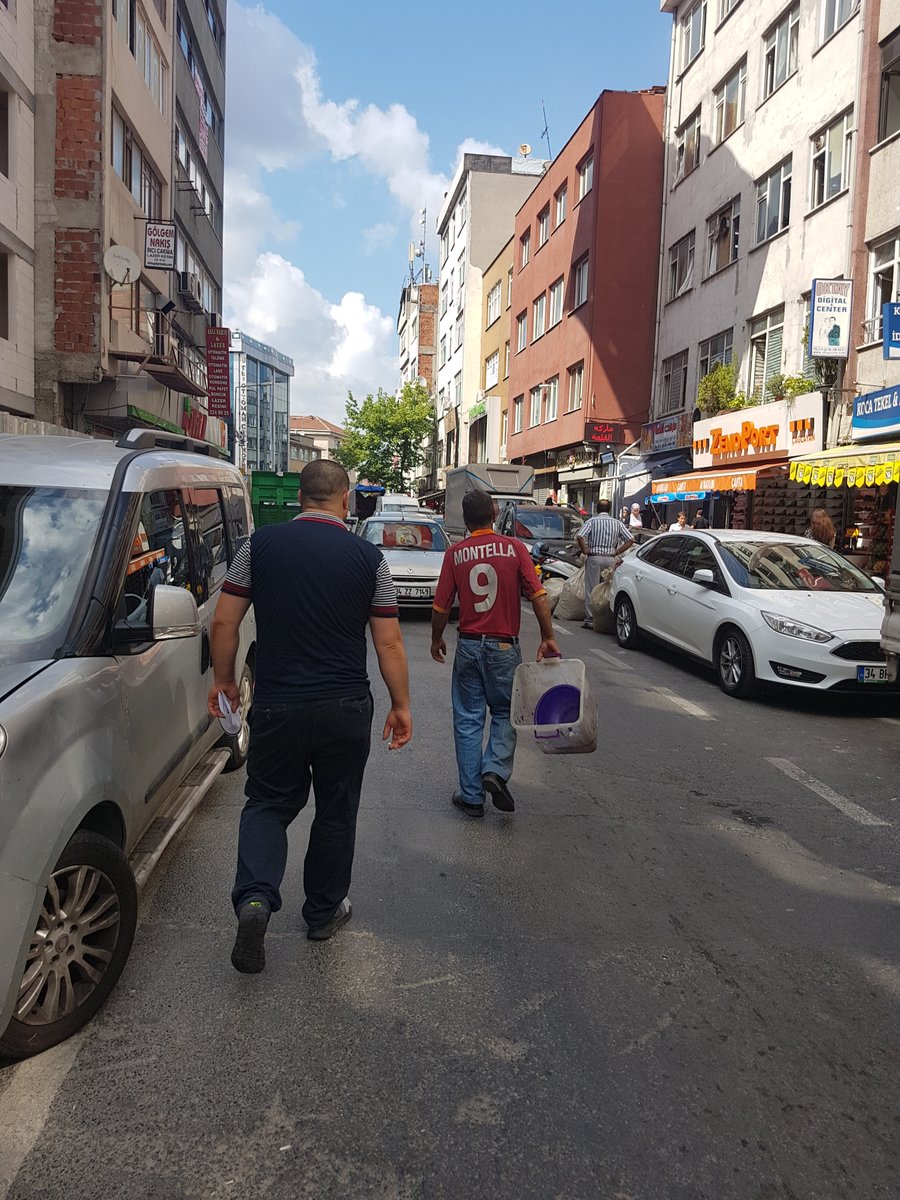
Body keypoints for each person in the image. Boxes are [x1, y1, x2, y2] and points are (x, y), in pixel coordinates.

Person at [208, 459, 413, 974]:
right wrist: (401, 704)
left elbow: (225, 620)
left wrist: (224, 682)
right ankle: (322, 913)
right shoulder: (370, 559)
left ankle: (255, 900)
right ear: (345, 499)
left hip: (278, 705)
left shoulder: (256, 548)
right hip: (346, 706)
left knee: (267, 804)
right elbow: (387, 640)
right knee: (336, 809)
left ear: (301, 497)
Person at [431, 489, 560, 818]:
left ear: (465, 518)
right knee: (505, 712)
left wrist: (436, 640)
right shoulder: (516, 549)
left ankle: (472, 797)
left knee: (468, 719)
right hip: (504, 645)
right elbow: (539, 596)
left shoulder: (456, 553)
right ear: (494, 512)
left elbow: (441, 606)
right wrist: (548, 637)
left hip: (469, 644)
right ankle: (495, 771)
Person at [575, 499, 635, 629]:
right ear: (609, 509)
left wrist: (585, 550)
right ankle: (605, 617)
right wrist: (617, 551)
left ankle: (591, 619)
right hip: (610, 559)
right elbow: (631, 539)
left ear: (597, 509)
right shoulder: (617, 523)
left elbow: (580, 536)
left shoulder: (591, 521)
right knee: (608, 588)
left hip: (594, 558)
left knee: (592, 588)